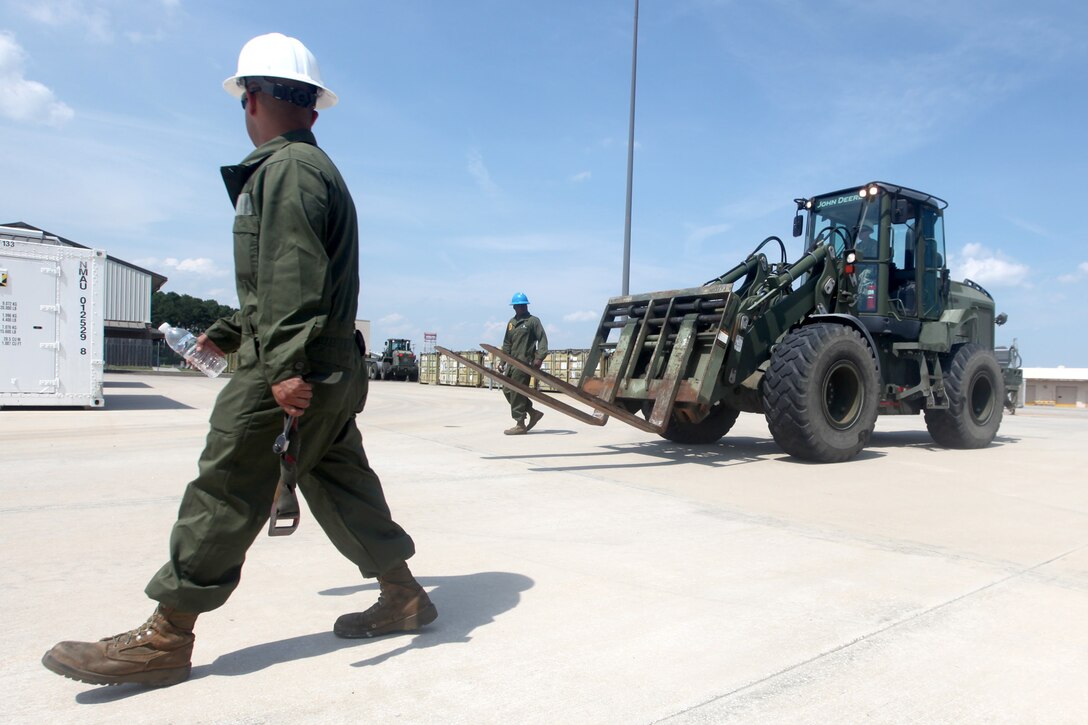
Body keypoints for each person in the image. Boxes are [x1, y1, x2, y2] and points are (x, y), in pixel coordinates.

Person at [41, 32, 436, 688]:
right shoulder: (314, 169)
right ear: (312, 107)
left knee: (227, 482)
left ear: (249, 99)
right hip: (334, 365)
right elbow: (283, 279)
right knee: (341, 483)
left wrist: (280, 366)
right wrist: (226, 332)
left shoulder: (284, 170)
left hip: (297, 363)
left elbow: (291, 274)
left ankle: (167, 635)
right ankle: (405, 595)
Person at [501, 292, 548, 435]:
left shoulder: (533, 321)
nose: (518, 308)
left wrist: (539, 357)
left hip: (524, 364)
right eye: (516, 306)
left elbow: (542, 339)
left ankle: (520, 424)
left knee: (516, 392)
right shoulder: (511, 323)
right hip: (511, 363)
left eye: (521, 306)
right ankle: (533, 412)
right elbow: (507, 343)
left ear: (526, 305)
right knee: (507, 390)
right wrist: (503, 360)